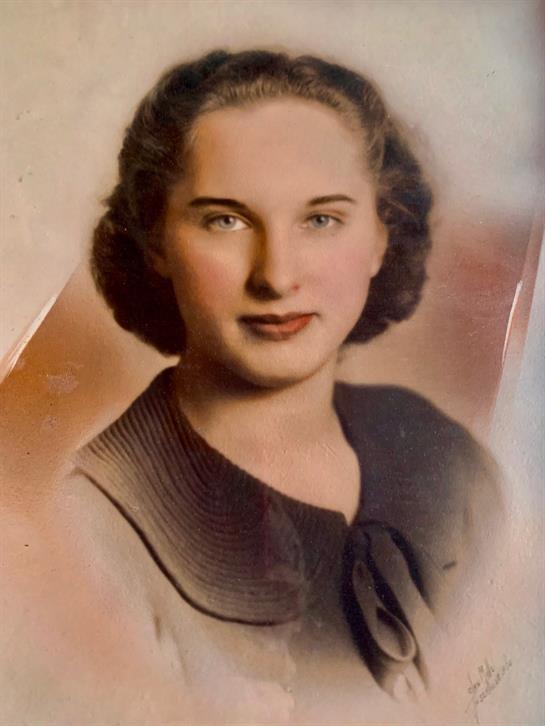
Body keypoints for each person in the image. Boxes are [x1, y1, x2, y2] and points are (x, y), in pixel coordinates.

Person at [2, 49, 503, 724]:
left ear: (381, 239)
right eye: (225, 219)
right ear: (155, 242)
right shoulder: (92, 531)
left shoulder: (450, 463)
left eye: (321, 219)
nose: (276, 275)